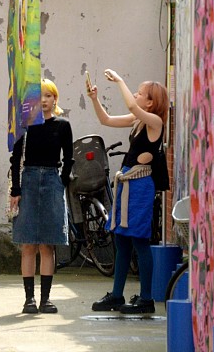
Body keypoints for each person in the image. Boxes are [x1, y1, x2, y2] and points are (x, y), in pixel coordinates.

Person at [87, 68, 169, 315]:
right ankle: (116, 294)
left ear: (151, 102)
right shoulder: (138, 122)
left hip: (141, 186)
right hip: (126, 184)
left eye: (140, 93)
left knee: (140, 241)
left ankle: (146, 299)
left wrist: (120, 80)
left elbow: (133, 108)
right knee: (121, 240)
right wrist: (94, 99)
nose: (135, 94)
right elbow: (106, 120)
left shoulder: (155, 122)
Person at [9, 79, 73, 315]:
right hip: (28, 181)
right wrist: (16, 190)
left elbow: (69, 158)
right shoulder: (25, 126)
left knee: (47, 244)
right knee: (28, 244)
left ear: (55, 99)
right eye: (39, 97)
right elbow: (15, 160)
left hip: (52, 181)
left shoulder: (63, 125)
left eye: (48, 96)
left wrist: (61, 182)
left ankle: (45, 299)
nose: (44, 101)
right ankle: (29, 300)